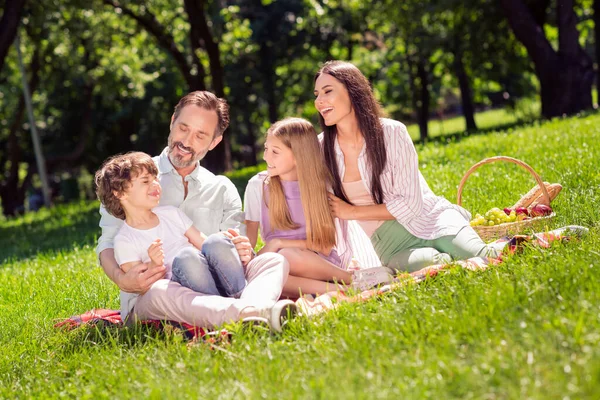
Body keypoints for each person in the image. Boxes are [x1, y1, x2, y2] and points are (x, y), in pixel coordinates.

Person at [96, 91, 295, 332]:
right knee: (161, 291)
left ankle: (247, 315)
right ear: (172, 122)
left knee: (273, 261)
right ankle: (257, 311)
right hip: (159, 295)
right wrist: (122, 279)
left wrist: (243, 250)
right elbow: (107, 243)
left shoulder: (221, 188)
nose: (187, 141)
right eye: (183, 128)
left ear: (214, 142)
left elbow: (234, 258)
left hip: (219, 283)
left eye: (200, 135)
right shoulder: (129, 177)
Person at [313, 61, 505, 272]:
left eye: (327, 91)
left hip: (432, 219)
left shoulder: (392, 132)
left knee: (481, 256)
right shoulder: (321, 149)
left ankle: (521, 242)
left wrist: (351, 211)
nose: (319, 101)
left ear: (353, 91)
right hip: (390, 243)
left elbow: (411, 204)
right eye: (316, 94)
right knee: (436, 264)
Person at [244, 118, 393, 298]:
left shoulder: (322, 187)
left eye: (275, 152)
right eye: (266, 149)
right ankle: (347, 288)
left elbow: (324, 245)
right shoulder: (257, 186)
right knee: (272, 272)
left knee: (286, 257)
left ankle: (349, 277)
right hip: (278, 260)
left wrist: (279, 243)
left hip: (320, 263)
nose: (265, 157)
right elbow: (249, 241)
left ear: (299, 156)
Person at [95, 151, 247, 317]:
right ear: (120, 193)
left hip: (205, 269)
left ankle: (242, 297)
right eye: (146, 181)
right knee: (187, 257)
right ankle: (224, 308)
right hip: (180, 290)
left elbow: (204, 243)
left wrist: (226, 245)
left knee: (216, 241)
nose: (155, 185)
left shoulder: (171, 213)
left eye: (155, 179)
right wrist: (154, 264)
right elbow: (139, 284)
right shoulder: (124, 240)